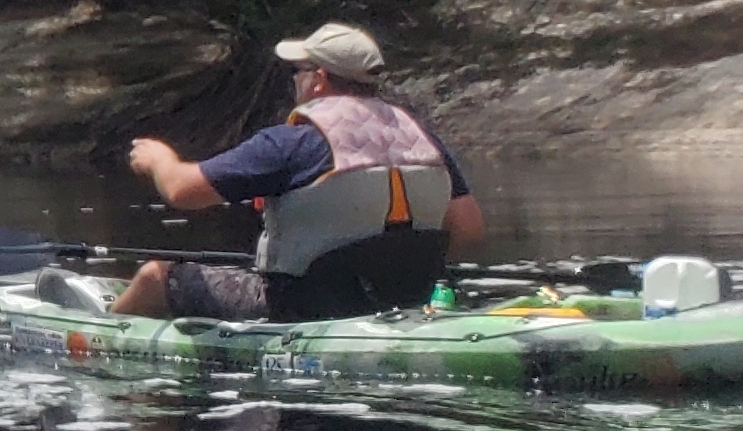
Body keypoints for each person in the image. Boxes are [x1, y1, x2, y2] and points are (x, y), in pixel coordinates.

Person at [114, 22, 486, 321]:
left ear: (319, 79)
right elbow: (468, 226)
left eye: (299, 71)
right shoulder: (421, 138)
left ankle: (103, 338)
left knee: (154, 278)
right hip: (401, 301)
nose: (295, 79)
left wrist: (160, 159)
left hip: (300, 307)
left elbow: (182, 191)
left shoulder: (293, 142)